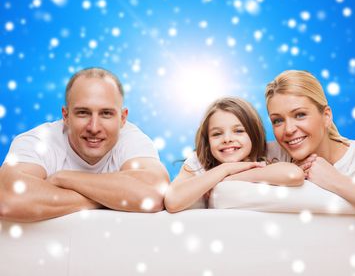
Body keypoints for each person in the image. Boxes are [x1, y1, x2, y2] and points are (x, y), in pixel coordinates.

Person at [0, 67, 169, 222]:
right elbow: (8, 199)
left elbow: (155, 193)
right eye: (83, 113)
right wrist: (113, 198)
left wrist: (63, 178)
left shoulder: (132, 139)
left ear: (122, 118)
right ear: (65, 116)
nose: (94, 128)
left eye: (106, 114)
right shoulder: (38, 141)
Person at [265, 70, 355, 223]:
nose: (288, 129)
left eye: (300, 115)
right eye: (277, 120)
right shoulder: (274, 154)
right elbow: (229, 167)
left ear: (326, 116)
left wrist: (334, 180)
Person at [165, 97, 304, 213]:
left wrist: (230, 178)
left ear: (253, 133)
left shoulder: (271, 151)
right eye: (217, 134)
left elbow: (293, 174)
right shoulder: (199, 161)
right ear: (208, 140)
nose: (227, 139)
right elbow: (172, 201)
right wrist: (225, 169)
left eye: (238, 131)